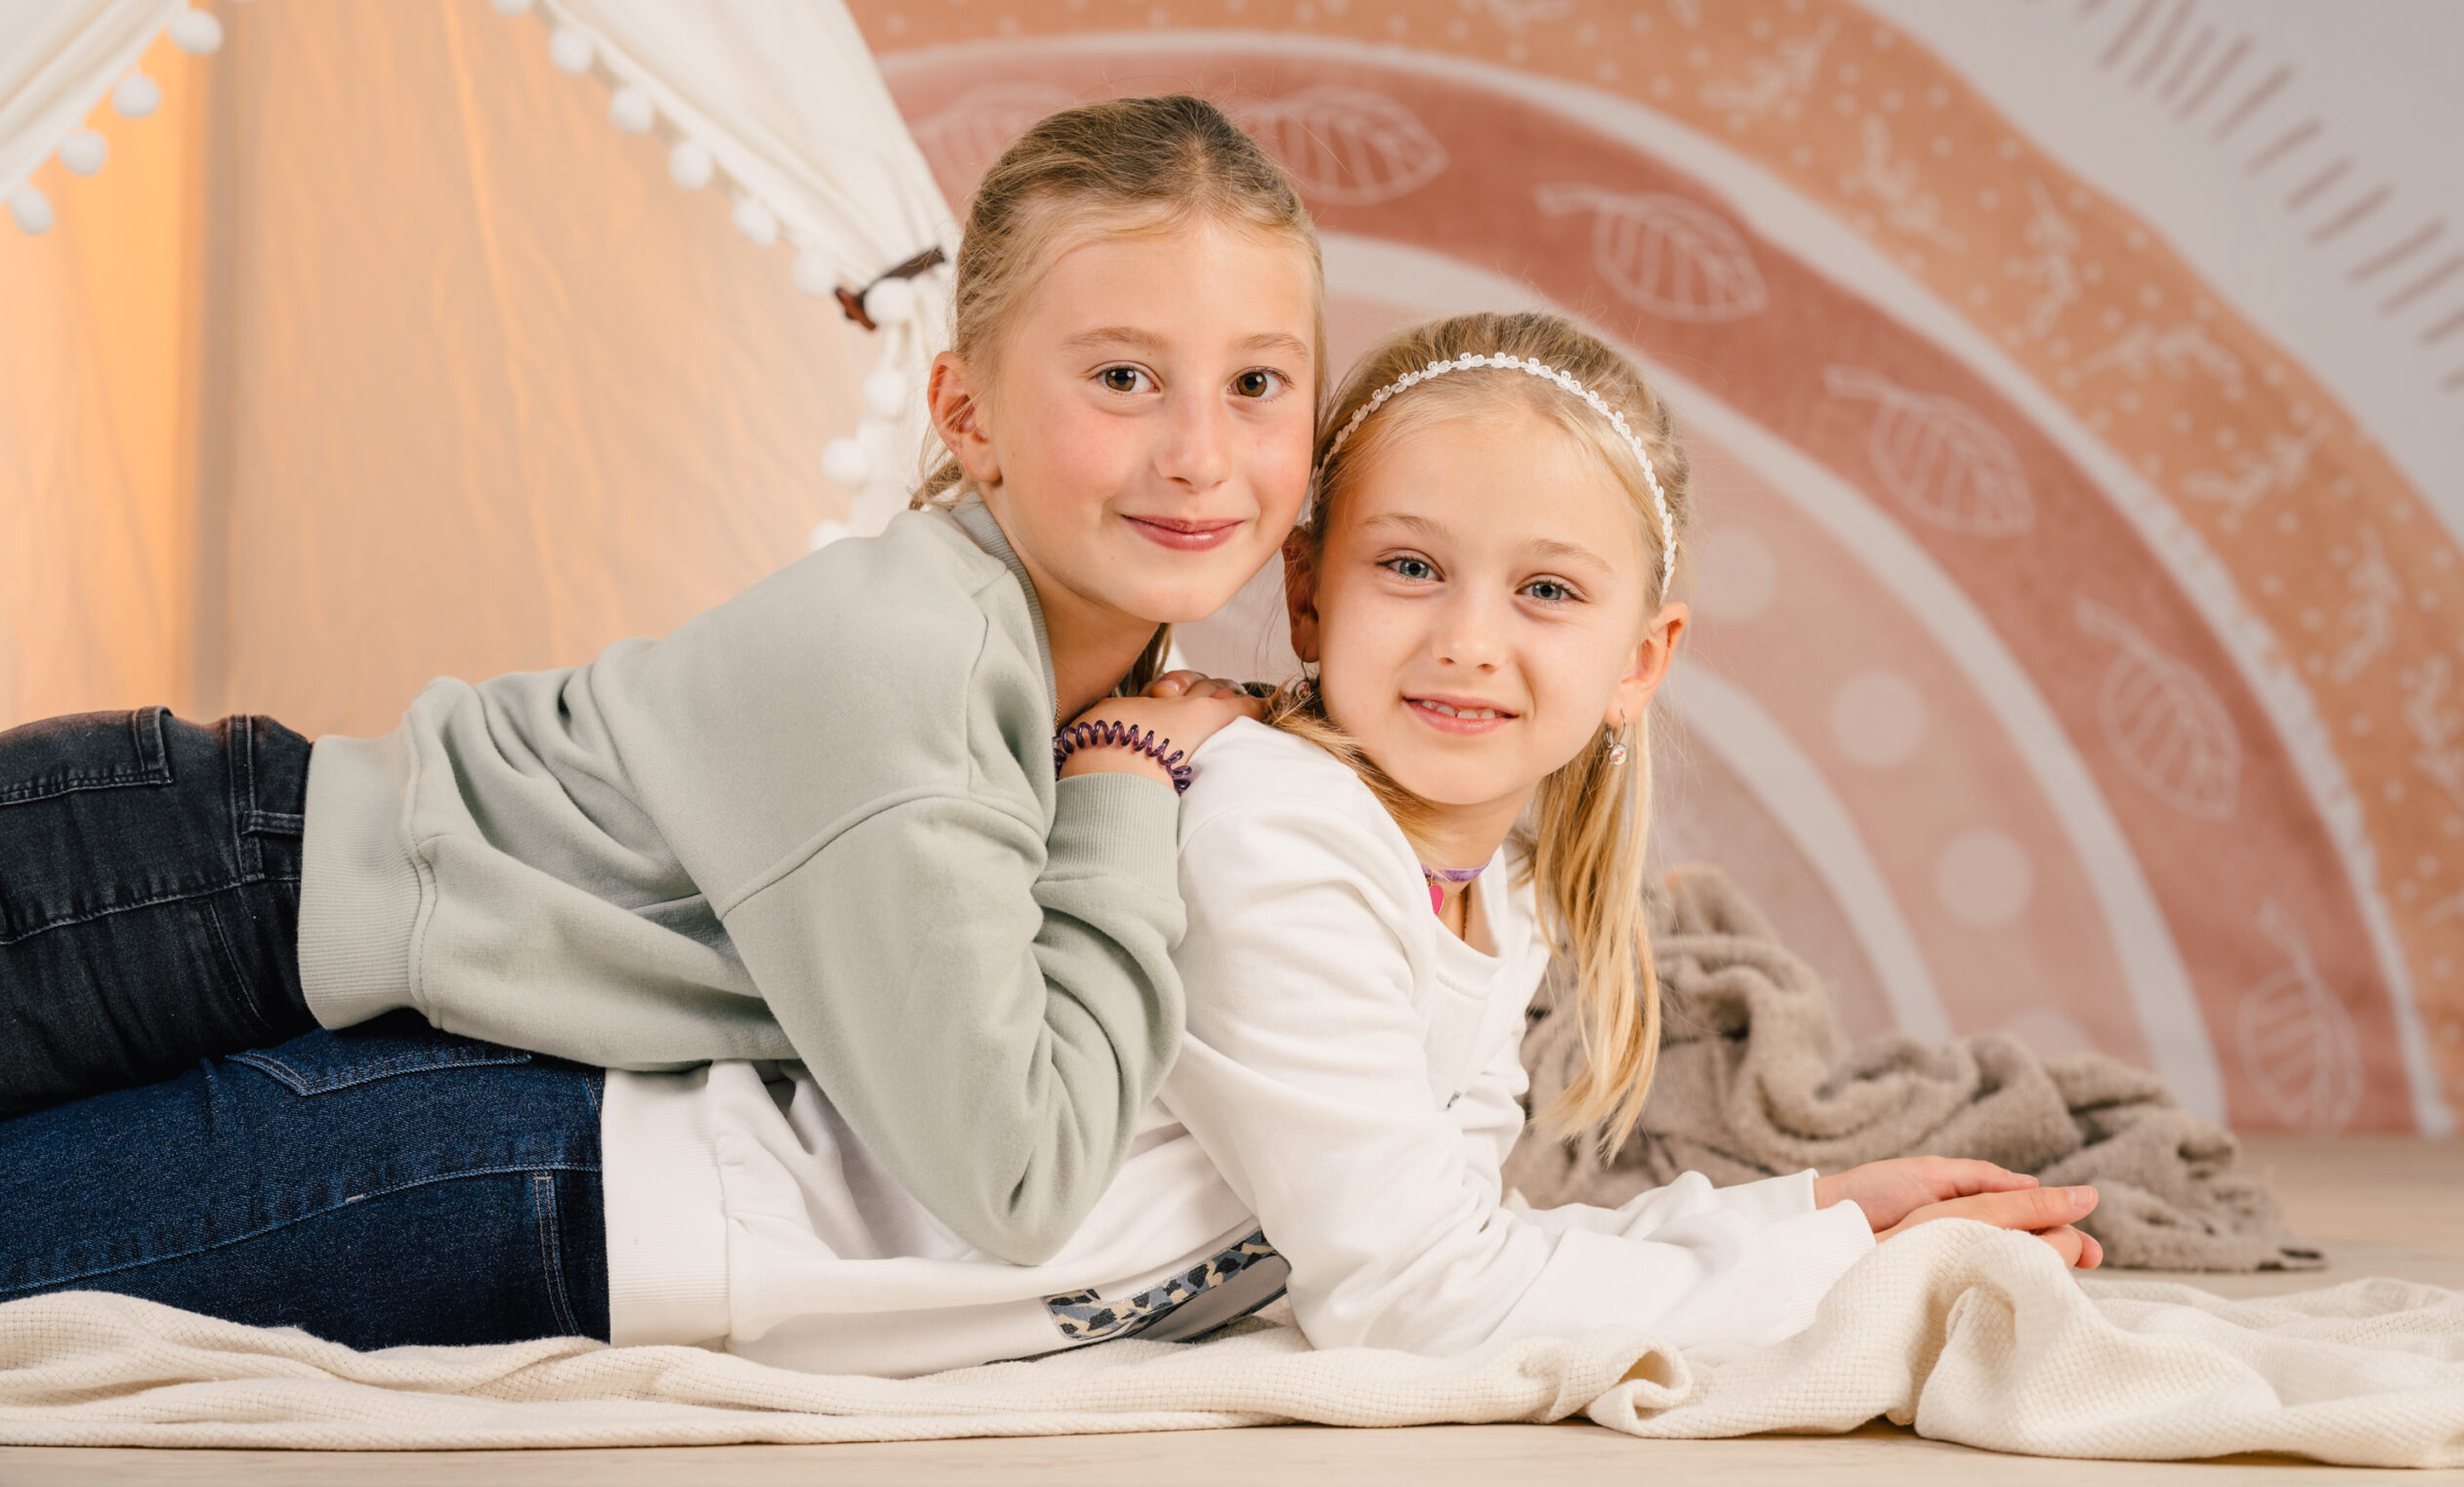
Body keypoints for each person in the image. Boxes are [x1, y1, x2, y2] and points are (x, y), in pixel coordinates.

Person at [0, 311, 2097, 1365]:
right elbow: (1420, 1295)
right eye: (1411, 569)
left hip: (576, 1197)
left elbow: (1432, 1223)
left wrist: (1809, 1200)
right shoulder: (1278, 830)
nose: (1470, 639)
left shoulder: (1497, 897)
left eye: (1544, 593)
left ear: (1641, 657)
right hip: (539, 1179)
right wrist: (1822, 1261)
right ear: (1306, 596)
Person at [0, 94, 1322, 1266]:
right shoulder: (916, 654)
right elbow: (1017, 1177)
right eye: (1124, 377)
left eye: (1256, 382)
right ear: (966, 413)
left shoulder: (1046, 647)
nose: (1201, 453)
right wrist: (1125, 781)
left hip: (256, 922)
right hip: (158, 890)